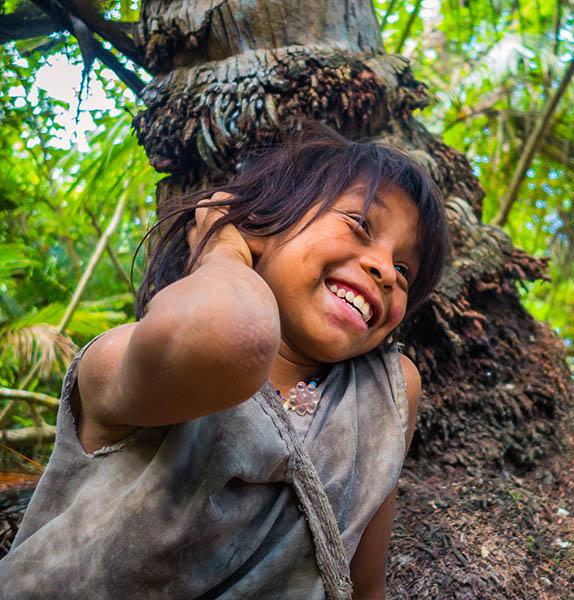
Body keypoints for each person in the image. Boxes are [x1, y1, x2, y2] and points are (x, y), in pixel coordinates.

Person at [0, 122, 450, 599]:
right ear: (263, 223)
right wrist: (222, 248)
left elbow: (363, 586)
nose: (385, 270)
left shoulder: (385, 393)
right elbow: (230, 336)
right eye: (360, 225)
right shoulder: (124, 358)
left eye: (405, 269)